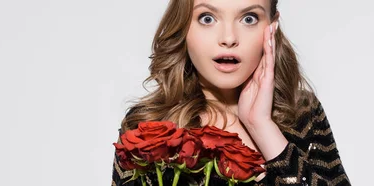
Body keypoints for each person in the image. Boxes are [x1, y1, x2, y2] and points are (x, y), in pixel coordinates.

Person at [111, 0, 351, 185]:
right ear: (183, 25)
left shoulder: (302, 113)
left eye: (249, 18)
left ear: (272, 25)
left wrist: (263, 127)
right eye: (207, 18)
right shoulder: (146, 128)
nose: (228, 38)